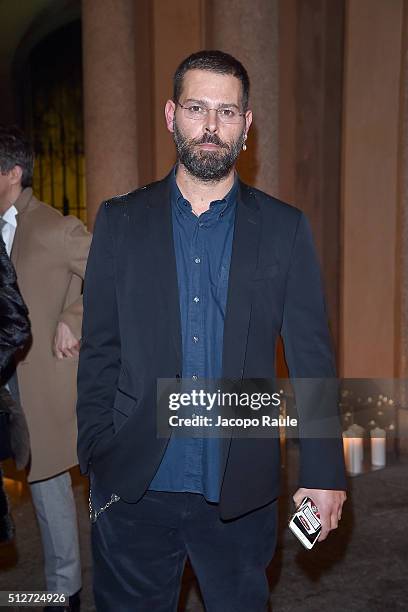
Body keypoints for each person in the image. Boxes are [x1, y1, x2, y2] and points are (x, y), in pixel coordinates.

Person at [77, 50, 347, 611]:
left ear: (247, 125)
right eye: (198, 108)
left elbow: (311, 358)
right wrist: (95, 452)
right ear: (172, 115)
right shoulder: (120, 221)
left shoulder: (284, 228)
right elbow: (100, 349)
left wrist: (323, 471)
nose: (211, 126)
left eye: (227, 112)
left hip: (241, 488)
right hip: (134, 483)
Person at [0, 125, 92, 611]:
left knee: (49, 490)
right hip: (2, 386)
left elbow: (112, 277)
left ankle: (64, 593)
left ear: (12, 173)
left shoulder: (58, 228)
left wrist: (72, 316)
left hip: (41, 390)